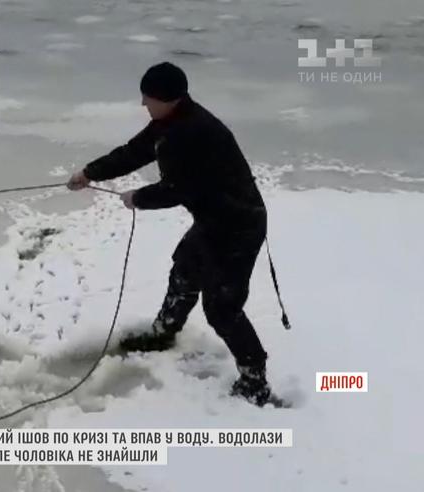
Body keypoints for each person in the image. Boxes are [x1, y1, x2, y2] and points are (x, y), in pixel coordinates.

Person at [67, 62, 274, 406]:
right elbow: (135, 151)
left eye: (147, 98)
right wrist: (90, 173)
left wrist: (138, 198)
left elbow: (179, 189)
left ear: (167, 98)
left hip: (238, 225)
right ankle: (163, 333)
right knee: (185, 269)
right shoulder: (170, 121)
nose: (143, 104)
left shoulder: (193, 131)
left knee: (222, 308)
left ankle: (255, 380)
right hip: (213, 220)